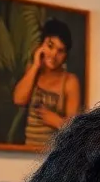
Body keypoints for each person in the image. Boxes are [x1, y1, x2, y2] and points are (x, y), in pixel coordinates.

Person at [12, 18, 82, 148]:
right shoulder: (33, 72)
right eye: (50, 45)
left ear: (65, 55)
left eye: (60, 51)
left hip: (54, 158)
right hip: (26, 152)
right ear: (41, 45)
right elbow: (18, 99)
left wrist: (56, 121)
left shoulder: (70, 82)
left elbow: (74, 130)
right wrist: (36, 66)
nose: (54, 54)